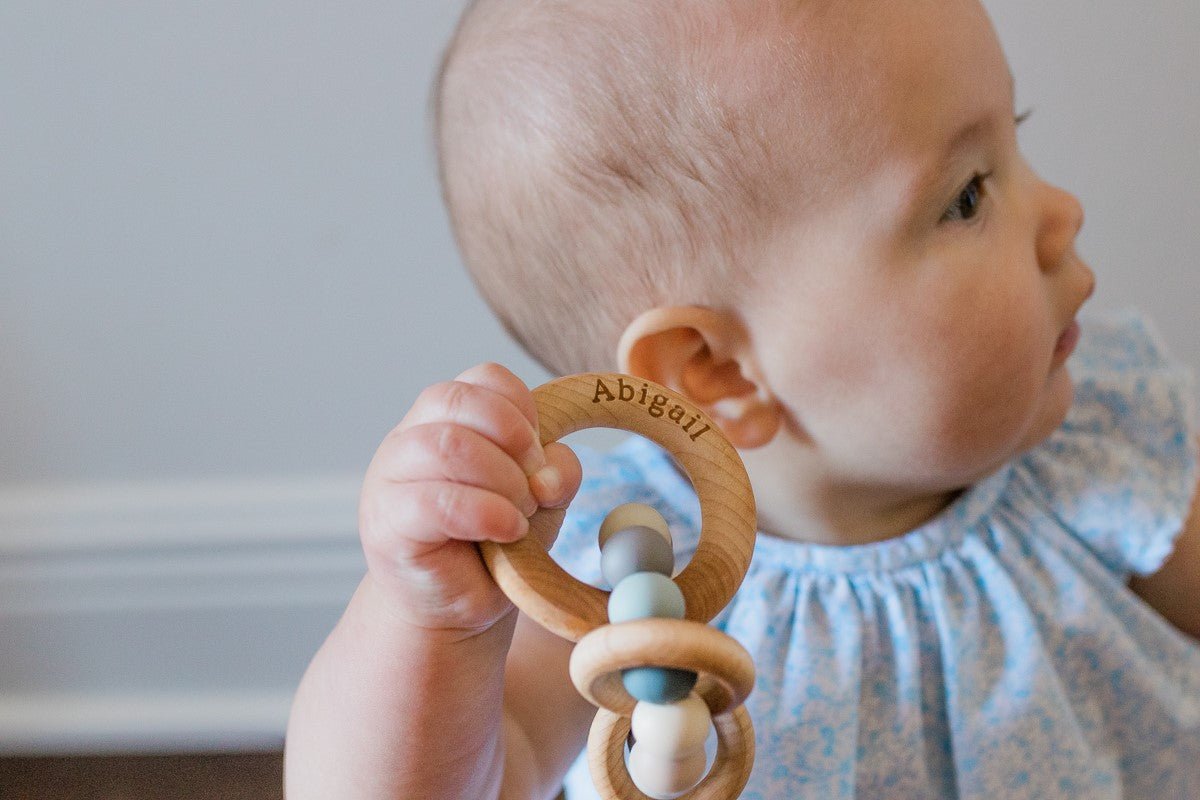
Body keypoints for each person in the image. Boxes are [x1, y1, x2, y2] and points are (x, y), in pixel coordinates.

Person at [284, 0, 1200, 797]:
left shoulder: (1100, 448)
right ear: (716, 373)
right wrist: (428, 624)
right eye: (966, 196)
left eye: (1016, 135)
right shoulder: (624, 576)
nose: (1063, 211)